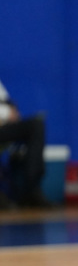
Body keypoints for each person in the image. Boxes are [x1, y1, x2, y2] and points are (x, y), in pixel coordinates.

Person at [0, 78, 51, 209]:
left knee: (36, 126)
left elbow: (8, 102)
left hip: (5, 125)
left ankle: (31, 188)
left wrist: (13, 112)